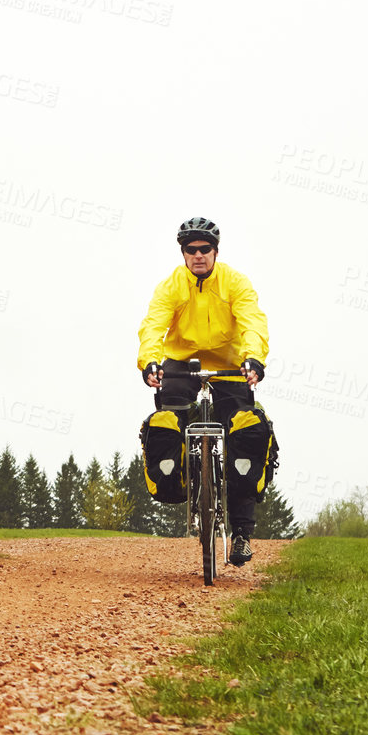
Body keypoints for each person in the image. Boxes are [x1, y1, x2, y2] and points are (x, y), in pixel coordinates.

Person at [137, 216, 274, 566]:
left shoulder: (234, 282)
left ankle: (241, 533)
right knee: (169, 422)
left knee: (245, 430)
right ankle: (186, 478)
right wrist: (150, 363)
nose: (198, 255)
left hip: (229, 365)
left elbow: (252, 321)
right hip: (181, 363)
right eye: (190, 250)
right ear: (183, 253)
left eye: (205, 249)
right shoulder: (171, 286)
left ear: (216, 250)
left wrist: (253, 359)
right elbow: (153, 324)